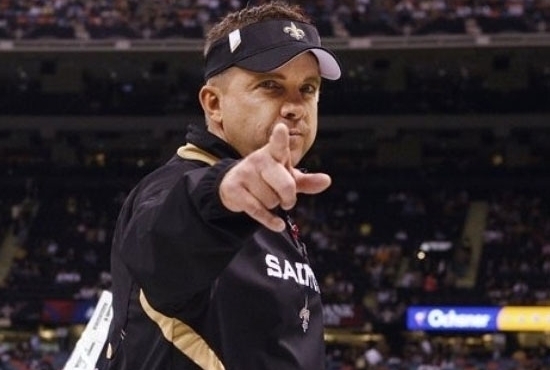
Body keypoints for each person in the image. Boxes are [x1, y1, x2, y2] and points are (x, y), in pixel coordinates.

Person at [97, 1, 342, 369]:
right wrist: (219, 195)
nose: (295, 107)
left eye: (308, 89)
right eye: (271, 86)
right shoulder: (177, 186)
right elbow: (156, 247)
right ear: (214, 104)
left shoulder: (265, 200)